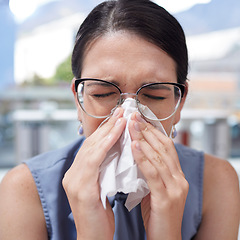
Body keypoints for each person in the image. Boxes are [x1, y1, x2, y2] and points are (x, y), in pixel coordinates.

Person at [0, 0, 239, 239]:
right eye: (102, 94)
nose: (129, 116)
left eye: (153, 94)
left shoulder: (215, 183)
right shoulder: (25, 189)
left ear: (179, 102)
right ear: (78, 100)